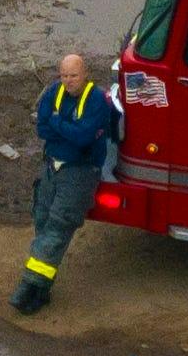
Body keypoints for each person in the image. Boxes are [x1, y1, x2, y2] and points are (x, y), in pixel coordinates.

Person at [14, 52, 120, 314]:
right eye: (64, 75)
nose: (68, 81)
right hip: (52, 166)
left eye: (73, 75)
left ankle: (29, 287)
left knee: (58, 226)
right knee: (42, 219)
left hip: (80, 172)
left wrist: (57, 123)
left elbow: (83, 137)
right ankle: (42, 287)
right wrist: (67, 129)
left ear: (85, 74)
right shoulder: (54, 92)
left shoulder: (97, 100)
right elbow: (42, 129)